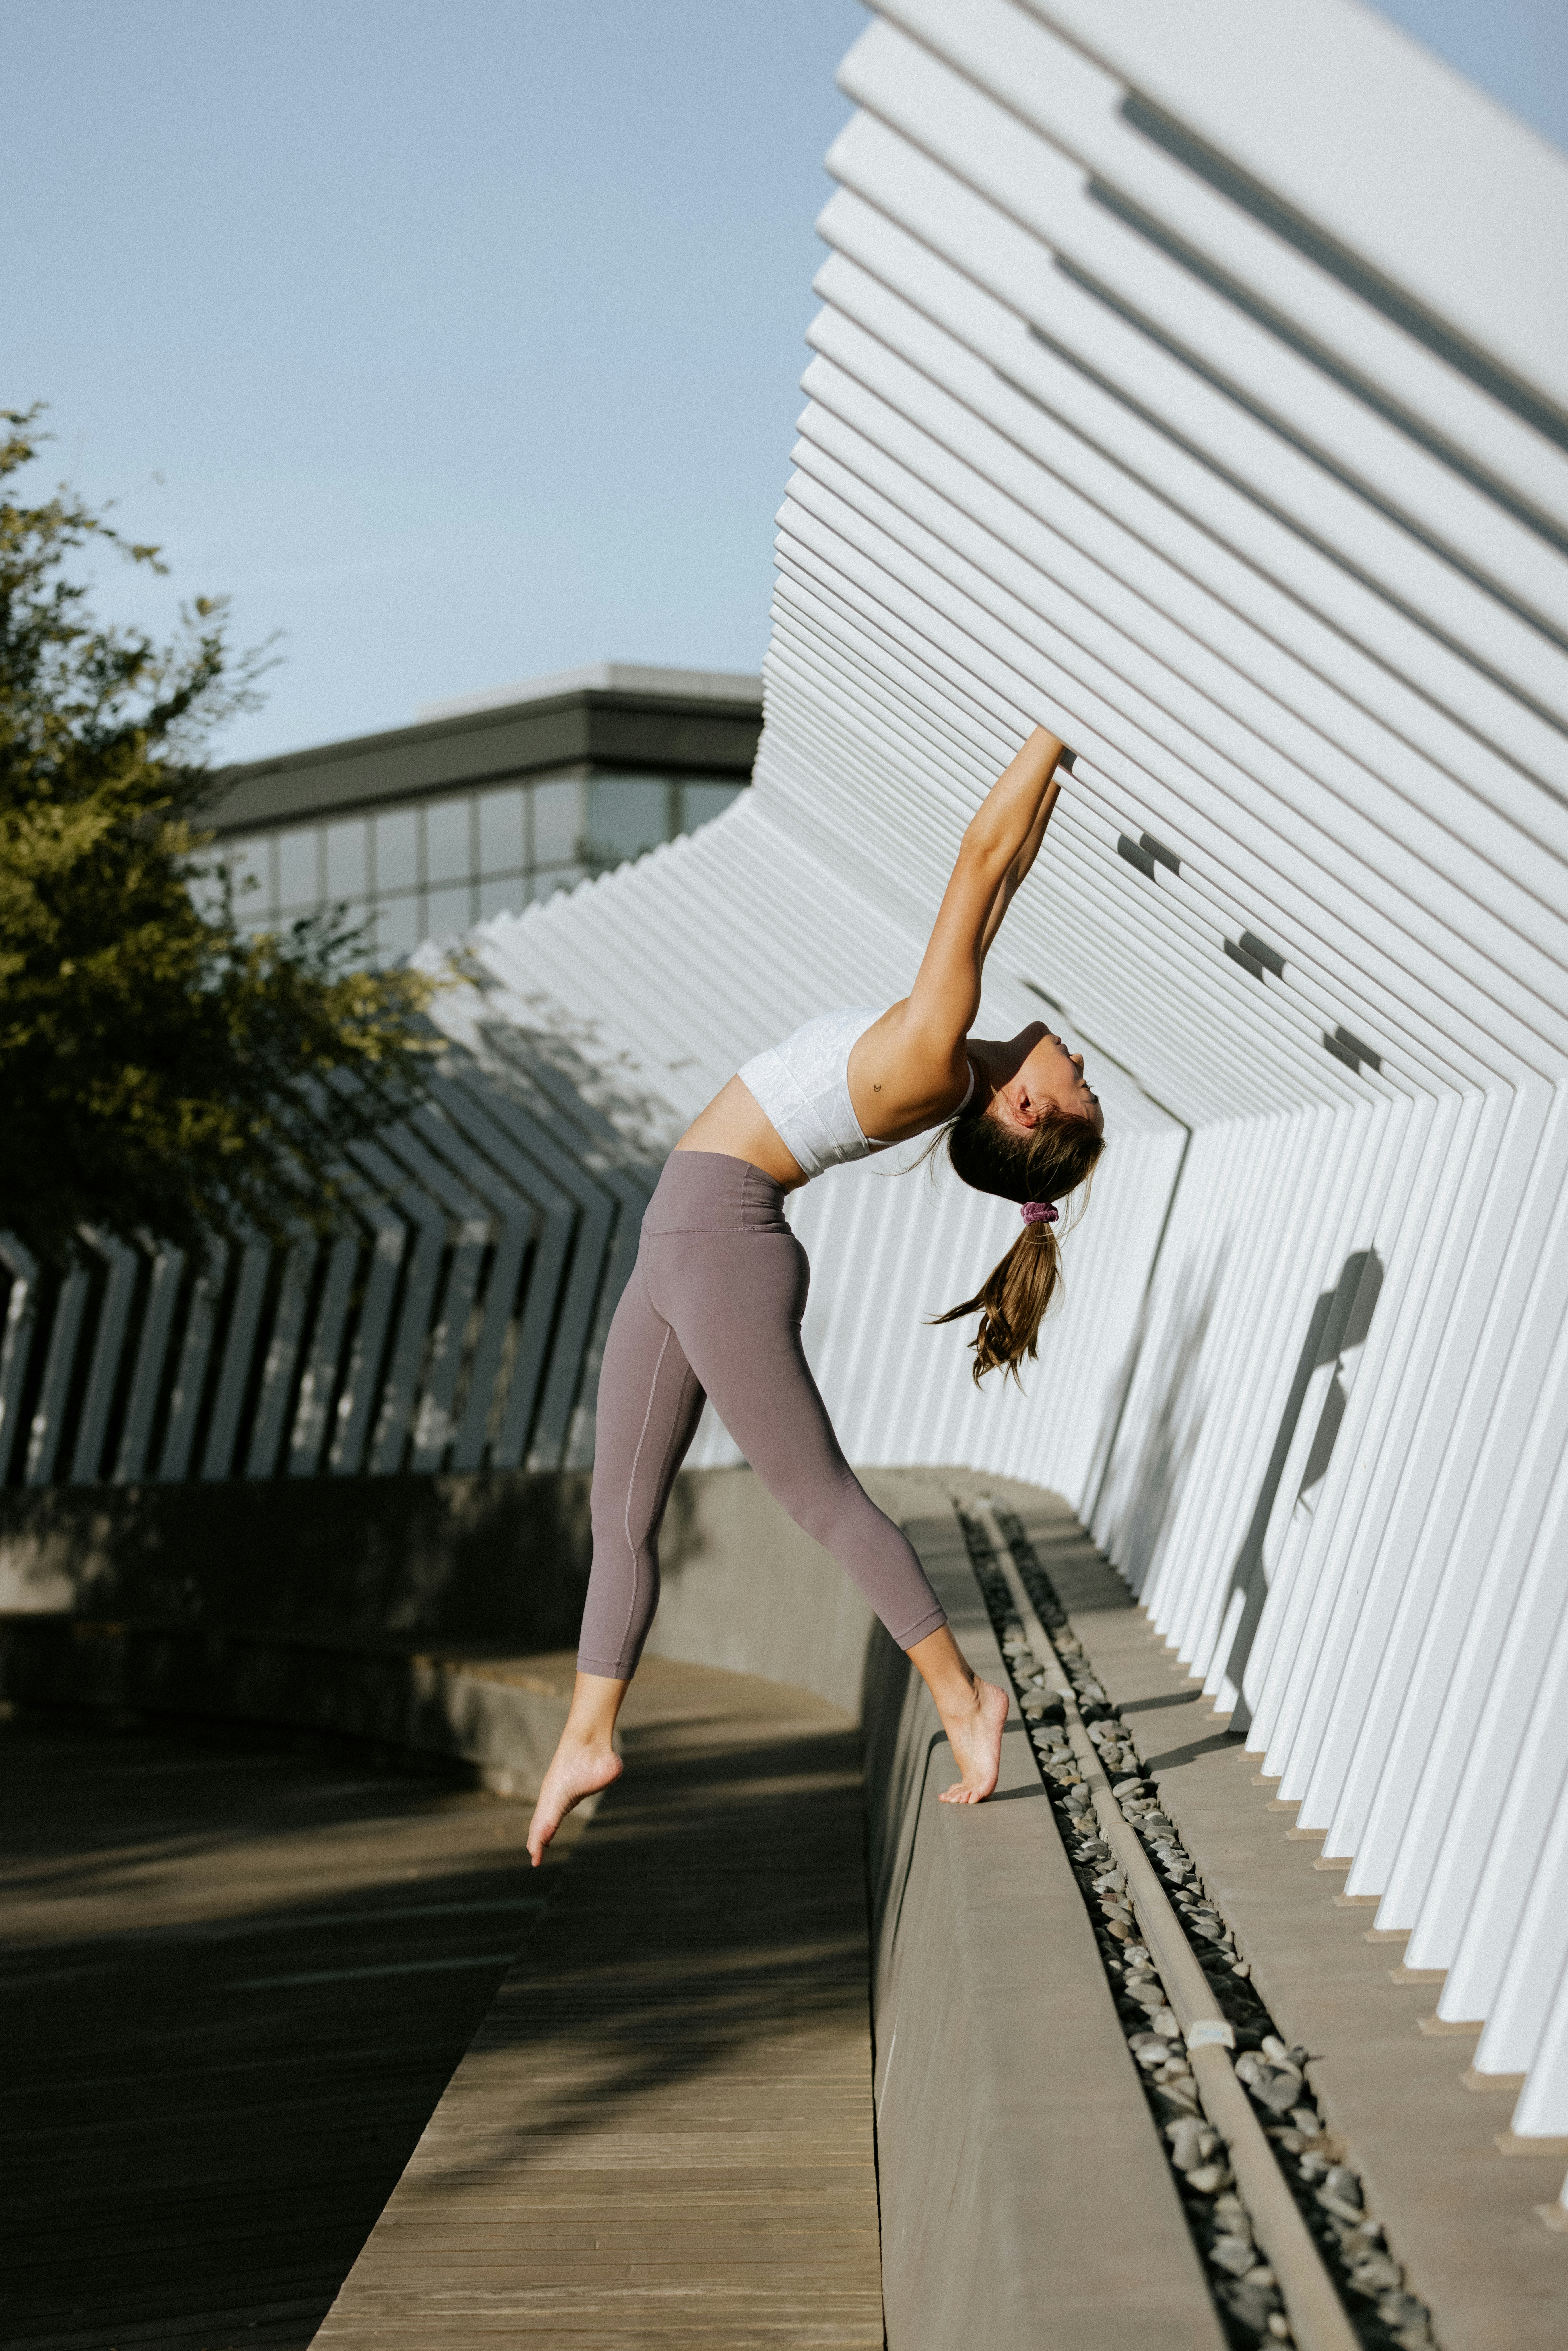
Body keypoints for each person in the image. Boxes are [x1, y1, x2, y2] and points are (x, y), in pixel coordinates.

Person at [526, 726, 1105, 1863]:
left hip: (719, 1241)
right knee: (620, 1512)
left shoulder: (934, 1051)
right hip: (683, 1236)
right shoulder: (942, 1048)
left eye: (1074, 1081)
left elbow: (977, 861)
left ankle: (960, 1696)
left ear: (1025, 1114)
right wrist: (1059, 773)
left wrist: (1052, 727)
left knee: (822, 1498)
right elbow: (1006, 874)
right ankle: (587, 1735)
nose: (1072, 1057)